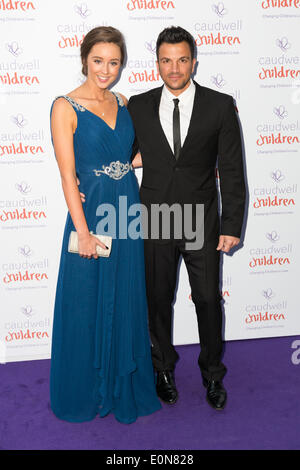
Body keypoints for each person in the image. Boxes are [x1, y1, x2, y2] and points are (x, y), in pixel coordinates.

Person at [79, 26, 246, 411]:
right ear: (157, 63)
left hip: (200, 219)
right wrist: (82, 176)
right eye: (167, 60)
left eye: (182, 60)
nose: (174, 68)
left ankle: (212, 374)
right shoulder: (136, 105)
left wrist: (232, 225)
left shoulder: (220, 106)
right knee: (156, 300)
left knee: (206, 299)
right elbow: (117, 155)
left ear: (194, 61)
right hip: (153, 219)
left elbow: (233, 170)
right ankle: (163, 370)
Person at [49, 26, 161, 424]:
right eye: (98, 61)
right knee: (86, 298)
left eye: (114, 62)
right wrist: (81, 231)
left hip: (127, 208)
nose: (106, 69)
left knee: (127, 295)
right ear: (84, 59)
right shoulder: (65, 106)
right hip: (92, 213)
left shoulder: (123, 101)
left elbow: (126, 159)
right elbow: (67, 176)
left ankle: (122, 386)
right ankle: (87, 389)